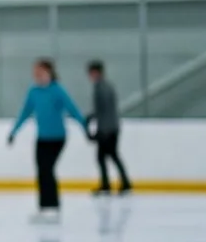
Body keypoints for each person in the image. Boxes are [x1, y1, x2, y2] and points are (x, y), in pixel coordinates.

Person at [9, 58, 90, 215]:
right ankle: (44, 206)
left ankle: (53, 205)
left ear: (49, 72)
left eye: (39, 72)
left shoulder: (57, 90)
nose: (36, 75)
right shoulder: (33, 91)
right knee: (42, 170)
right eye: (35, 73)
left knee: (47, 169)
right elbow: (25, 112)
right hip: (42, 138)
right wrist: (14, 132)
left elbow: (72, 109)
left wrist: (85, 127)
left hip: (58, 138)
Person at [85, 61, 133, 195]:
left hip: (107, 128)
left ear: (96, 72)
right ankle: (119, 183)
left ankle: (113, 184)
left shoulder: (100, 88)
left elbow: (101, 110)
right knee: (110, 156)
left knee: (106, 156)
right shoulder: (108, 86)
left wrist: (95, 126)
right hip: (112, 126)